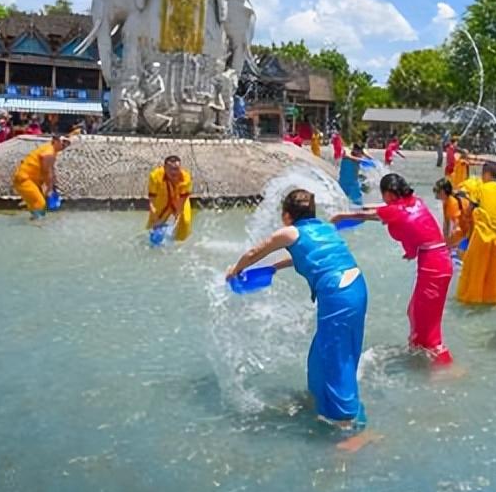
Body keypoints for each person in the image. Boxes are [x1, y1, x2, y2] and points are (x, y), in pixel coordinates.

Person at [226, 189, 368, 428]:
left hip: (338, 293)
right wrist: (274, 268)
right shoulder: (325, 228)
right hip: (355, 287)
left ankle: (346, 421)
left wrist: (235, 270)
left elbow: (253, 253)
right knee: (323, 353)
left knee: (335, 354)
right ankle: (320, 400)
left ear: (287, 215)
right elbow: (307, 256)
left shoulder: (289, 232)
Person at [331, 173, 453, 364]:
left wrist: (341, 216)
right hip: (439, 260)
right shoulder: (415, 202)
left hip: (433, 266)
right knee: (415, 312)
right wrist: (412, 251)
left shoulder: (395, 211)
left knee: (425, 321)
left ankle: (444, 367)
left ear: (388, 193)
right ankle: (421, 357)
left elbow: (370, 215)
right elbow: (394, 215)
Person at [454, 160, 496, 305]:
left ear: (487, 174)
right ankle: (490, 300)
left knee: (474, 272)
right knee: (492, 275)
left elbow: (469, 210)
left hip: (483, 237)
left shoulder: (482, 188)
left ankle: (470, 300)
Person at [13, 134, 69, 218]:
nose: (65, 145)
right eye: (63, 142)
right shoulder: (49, 152)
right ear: (55, 141)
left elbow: (51, 170)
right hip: (25, 180)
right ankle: (37, 226)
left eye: (67, 143)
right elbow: (47, 171)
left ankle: (34, 223)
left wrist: (54, 186)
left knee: (39, 205)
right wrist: (49, 189)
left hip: (32, 181)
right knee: (40, 203)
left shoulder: (51, 151)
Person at [147, 155, 193, 242]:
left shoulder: (185, 179)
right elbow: (152, 201)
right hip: (161, 198)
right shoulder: (154, 176)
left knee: (185, 221)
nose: (174, 172)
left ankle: (180, 244)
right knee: (154, 225)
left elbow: (181, 203)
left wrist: (175, 219)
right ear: (164, 168)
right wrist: (156, 220)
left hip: (179, 199)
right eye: (171, 169)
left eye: (176, 169)